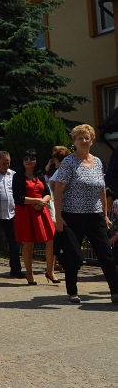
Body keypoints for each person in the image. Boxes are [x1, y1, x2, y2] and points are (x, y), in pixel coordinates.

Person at [53, 124, 118, 304]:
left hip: (95, 214)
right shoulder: (68, 162)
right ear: (74, 141)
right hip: (72, 215)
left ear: (91, 140)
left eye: (86, 137)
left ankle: (115, 291)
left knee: (106, 253)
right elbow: (58, 190)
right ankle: (72, 291)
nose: (83, 140)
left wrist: (105, 215)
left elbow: (102, 190)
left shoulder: (97, 162)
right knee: (73, 254)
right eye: (79, 138)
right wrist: (58, 217)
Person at [12, 149, 56, 285]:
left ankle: (50, 271)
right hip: (25, 212)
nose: (28, 161)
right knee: (28, 243)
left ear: (36, 160)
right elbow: (17, 198)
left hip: (41, 211)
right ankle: (30, 274)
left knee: (51, 239)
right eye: (25, 158)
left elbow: (48, 193)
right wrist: (36, 201)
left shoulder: (40, 175)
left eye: (31, 158)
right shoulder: (18, 176)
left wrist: (43, 201)